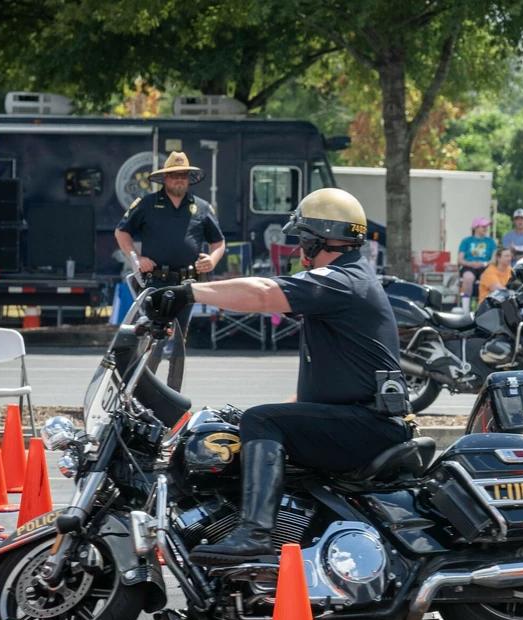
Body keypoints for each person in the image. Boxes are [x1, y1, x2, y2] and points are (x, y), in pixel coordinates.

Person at [145, 188, 411, 566]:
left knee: (261, 421)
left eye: (302, 239)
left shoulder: (343, 279)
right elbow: (326, 388)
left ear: (319, 239)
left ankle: (254, 534)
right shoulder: (347, 281)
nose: (300, 250)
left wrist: (187, 292)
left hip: (370, 425)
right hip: (363, 419)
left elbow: (263, 293)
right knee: (253, 421)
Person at [115, 152, 225, 392]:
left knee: (179, 343)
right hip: (156, 281)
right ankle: (142, 391)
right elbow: (122, 233)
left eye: (183, 176)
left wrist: (212, 260)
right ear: (164, 179)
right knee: (154, 336)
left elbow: (218, 242)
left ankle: (172, 395)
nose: (179, 181)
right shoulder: (147, 204)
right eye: (174, 176)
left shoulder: (202, 208)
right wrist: (137, 259)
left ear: (189, 179)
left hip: (187, 283)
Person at [457, 217, 497, 310]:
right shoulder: (466, 241)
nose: (485, 228)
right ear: (475, 227)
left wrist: (483, 263)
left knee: (489, 278)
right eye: (483, 226)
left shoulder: (491, 241)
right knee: (468, 278)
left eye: (486, 226)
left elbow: (494, 259)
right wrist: (470, 264)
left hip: (485, 266)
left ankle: (485, 304)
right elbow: (460, 259)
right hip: (469, 266)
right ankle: (467, 306)